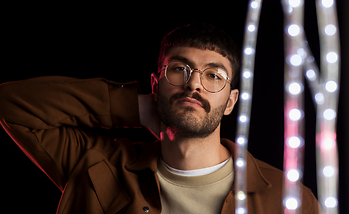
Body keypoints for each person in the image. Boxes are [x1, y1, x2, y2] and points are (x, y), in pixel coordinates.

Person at [0, 23, 319, 214]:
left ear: (230, 102)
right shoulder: (99, 169)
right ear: (156, 84)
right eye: (179, 70)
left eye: (214, 75)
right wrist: (135, 107)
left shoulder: (286, 197)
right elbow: (10, 104)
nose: (194, 83)